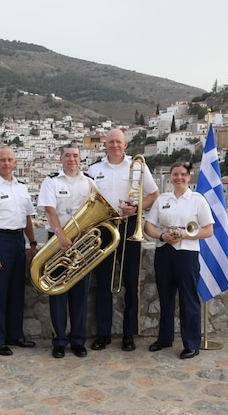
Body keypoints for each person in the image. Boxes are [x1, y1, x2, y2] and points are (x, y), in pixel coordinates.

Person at [87, 128, 159, 351]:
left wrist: (136, 208)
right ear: (105, 144)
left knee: (131, 282)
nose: (115, 145)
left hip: (130, 227)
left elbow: (153, 195)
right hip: (104, 228)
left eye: (119, 142)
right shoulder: (94, 169)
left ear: (125, 145)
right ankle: (103, 334)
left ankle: (129, 334)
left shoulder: (137, 166)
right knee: (103, 284)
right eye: (111, 142)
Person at [144, 161, 214, 359]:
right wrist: (161, 236)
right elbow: (148, 226)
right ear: (170, 176)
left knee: (188, 299)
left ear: (189, 177)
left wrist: (184, 236)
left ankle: (191, 343)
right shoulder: (162, 199)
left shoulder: (197, 200)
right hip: (164, 252)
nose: (179, 178)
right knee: (165, 297)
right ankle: (164, 338)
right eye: (175, 174)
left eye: (183, 174)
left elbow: (208, 230)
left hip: (187, 254)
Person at [0, 146, 38, 356]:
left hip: (18, 240)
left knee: (16, 291)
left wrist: (32, 243)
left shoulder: (21, 188)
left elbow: (28, 217)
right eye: (2, 159)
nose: (6, 163)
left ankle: (15, 335)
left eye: (9, 159)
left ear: (15, 163)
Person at [37, 143, 94, 359]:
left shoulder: (89, 183)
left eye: (76, 156)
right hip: (58, 242)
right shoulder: (51, 181)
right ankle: (59, 340)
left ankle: (78, 340)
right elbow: (50, 211)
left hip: (83, 242)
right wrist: (61, 236)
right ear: (61, 159)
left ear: (81, 159)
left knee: (80, 294)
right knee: (57, 292)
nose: (72, 159)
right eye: (68, 155)